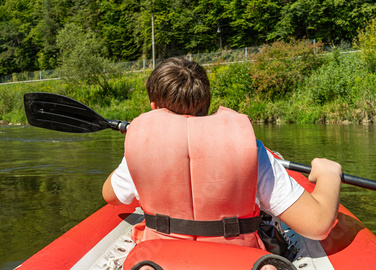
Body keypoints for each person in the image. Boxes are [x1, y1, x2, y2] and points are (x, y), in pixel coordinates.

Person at [102, 58, 342, 268]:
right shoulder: (250, 149)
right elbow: (318, 224)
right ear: (207, 104)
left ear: (153, 107)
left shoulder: (142, 146)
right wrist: (329, 173)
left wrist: (139, 140)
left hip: (159, 259)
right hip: (237, 261)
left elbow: (111, 195)